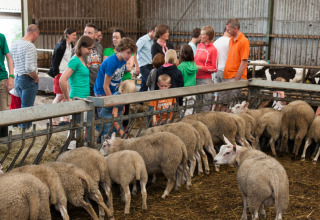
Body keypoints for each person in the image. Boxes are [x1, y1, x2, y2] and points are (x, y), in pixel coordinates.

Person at [10, 24, 40, 129]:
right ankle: (25, 134)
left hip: (17, 78)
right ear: (34, 33)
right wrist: (36, 78)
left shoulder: (14, 44)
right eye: (37, 35)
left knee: (19, 108)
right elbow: (29, 68)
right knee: (27, 110)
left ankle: (15, 130)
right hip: (28, 80)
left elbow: (12, 62)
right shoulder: (29, 46)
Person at [48, 28, 77, 125]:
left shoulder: (70, 45)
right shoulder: (61, 46)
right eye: (73, 35)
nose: (75, 37)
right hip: (59, 73)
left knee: (65, 95)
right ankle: (51, 117)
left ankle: (63, 117)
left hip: (66, 73)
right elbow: (54, 60)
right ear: (68, 35)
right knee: (59, 95)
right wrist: (55, 72)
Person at [221, 18, 250, 103]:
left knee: (233, 104)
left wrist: (236, 80)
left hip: (235, 77)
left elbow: (244, 62)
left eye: (229, 29)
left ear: (235, 28)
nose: (227, 31)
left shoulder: (243, 41)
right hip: (226, 76)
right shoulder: (231, 40)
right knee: (223, 102)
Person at [59, 35, 94, 101]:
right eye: (89, 49)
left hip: (84, 98)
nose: (91, 51)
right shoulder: (75, 60)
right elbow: (62, 80)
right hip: (77, 98)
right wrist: (68, 98)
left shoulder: (82, 59)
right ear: (81, 47)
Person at [194, 25, 218, 113]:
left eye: (202, 34)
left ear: (207, 37)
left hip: (205, 80)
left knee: (206, 104)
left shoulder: (213, 49)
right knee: (196, 103)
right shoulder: (199, 46)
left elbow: (214, 68)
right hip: (195, 78)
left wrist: (201, 67)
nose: (200, 36)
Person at [83, 23, 104, 96]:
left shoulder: (100, 47)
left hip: (97, 85)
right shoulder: (77, 49)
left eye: (89, 33)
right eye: (85, 32)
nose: (86, 35)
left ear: (95, 35)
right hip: (84, 86)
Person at [212, 26, 231, 108]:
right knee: (225, 99)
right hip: (225, 71)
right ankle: (224, 117)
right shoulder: (230, 41)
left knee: (216, 96)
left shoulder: (216, 42)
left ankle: (212, 112)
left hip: (216, 71)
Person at [0, 33, 14, 137]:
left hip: (1, 78)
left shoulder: (1, 37)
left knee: (4, 111)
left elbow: (9, 57)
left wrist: (11, 77)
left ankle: (4, 142)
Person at [177, 44, 197, 115]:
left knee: (183, 110)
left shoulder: (181, 66)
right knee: (191, 108)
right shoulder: (194, 65)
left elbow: (179, 78)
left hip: (184, 91)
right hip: (192, 90)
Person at [136, 25, 155, 92]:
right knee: (151, 83)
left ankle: (140, 101)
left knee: (144, 84)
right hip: (144, 65)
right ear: (152, 31)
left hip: (150, 64)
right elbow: (135, 51)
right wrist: (137, 65)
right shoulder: (143, 40)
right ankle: (153, 100)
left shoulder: (151, 41)